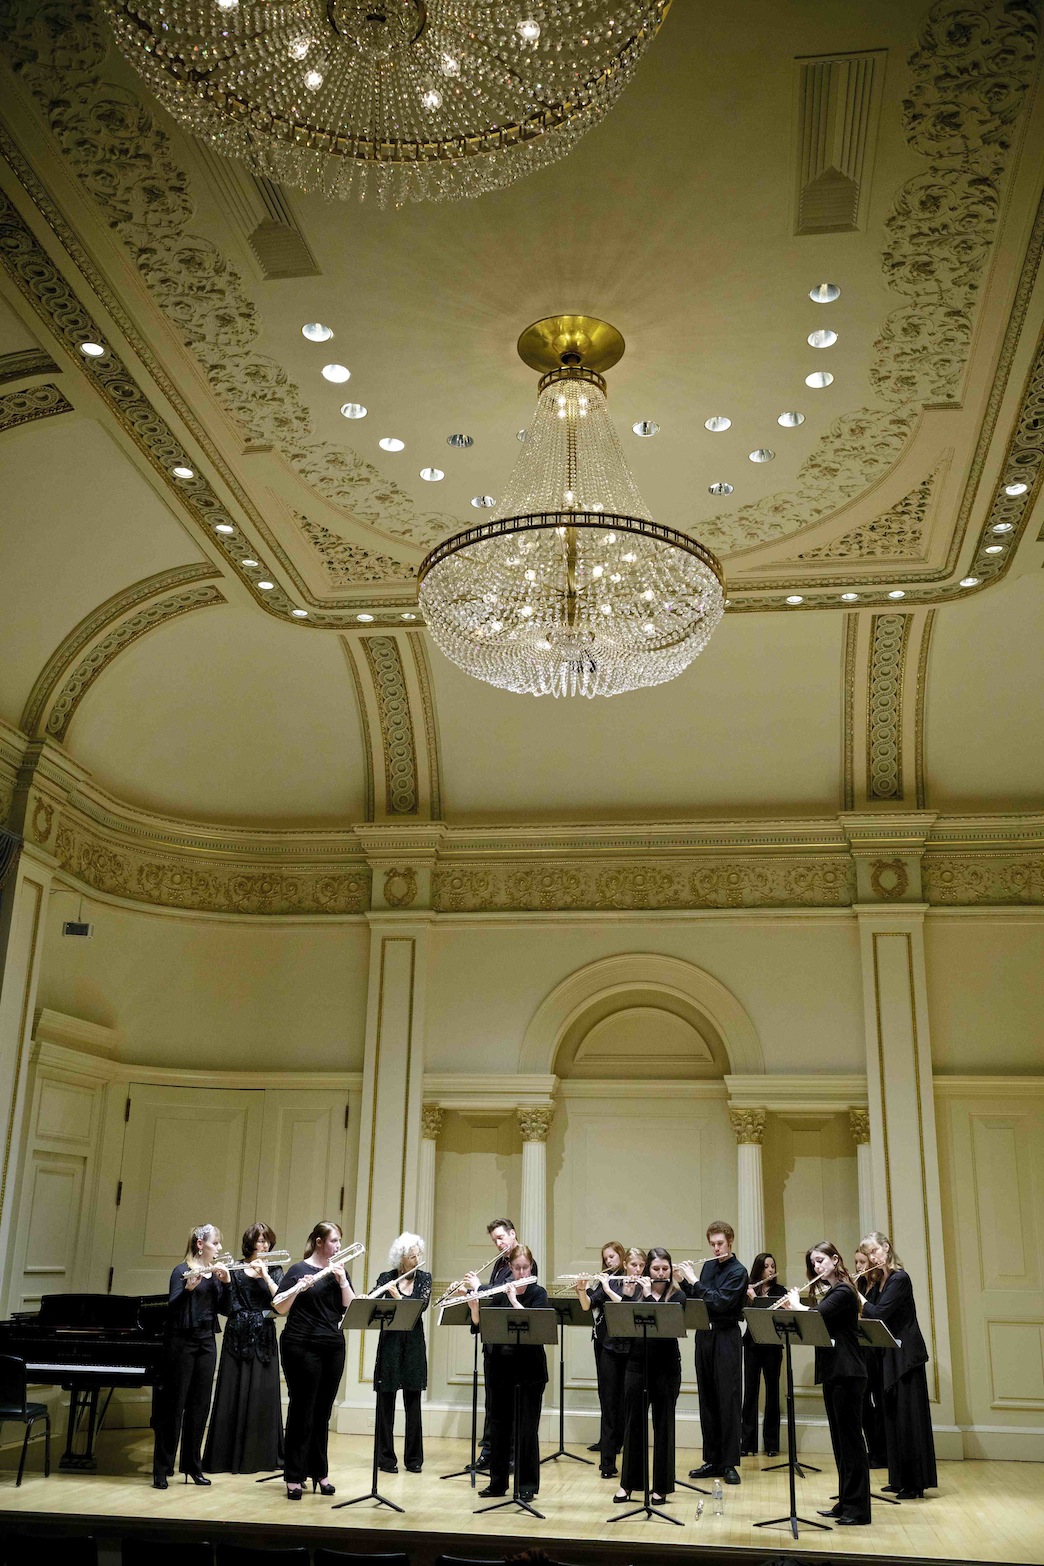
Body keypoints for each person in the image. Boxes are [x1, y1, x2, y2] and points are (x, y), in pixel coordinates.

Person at [782, 1240, 871, 1527]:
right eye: (813, 1263)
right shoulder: (833, 1291)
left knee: (851, 1443)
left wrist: (796, 1304)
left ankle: (858, 1509)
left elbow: (816, 1318)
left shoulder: (844, 1290)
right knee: (840, 1443)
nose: (817, 1266)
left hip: (848, 1372)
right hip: (836, 1372)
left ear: (835, 1259)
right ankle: (846, 1501)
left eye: (820, 1260)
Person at [272, 1221, 354, 1500]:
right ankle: (294, 1476)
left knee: (323, 1412)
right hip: (301, 1345)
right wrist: (298, 1289)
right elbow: (279, 1308)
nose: (338, 1247)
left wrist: (342, 1279)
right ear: (319, 1242)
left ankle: (320, 1472)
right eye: (333, 1241)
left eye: (340, 1242)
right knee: (302, 1409)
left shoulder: (338, 1271)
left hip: (332, 1346)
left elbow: (349, 1306)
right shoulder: (298, 1270)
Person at [859, 1231, 937, 1499]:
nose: (871, 1258)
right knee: (890, 1417)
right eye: (868, 1254)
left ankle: (915, 1482)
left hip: (906, 1358)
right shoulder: (881, 1281)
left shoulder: (900, 1279)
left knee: (908, 1419)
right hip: (888, 1356)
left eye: (874, 1252)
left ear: (886, 1248)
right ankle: (898, 1478)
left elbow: (879, 1314)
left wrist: (859, 1298)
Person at [202, 1222, 284, 1473]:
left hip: (264, 1337)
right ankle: (226, 1458)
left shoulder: (276, 1269)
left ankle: (262, 1457)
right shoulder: (235, 1269)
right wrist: (226, 1282)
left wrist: (266, 1275)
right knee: (232, 1393)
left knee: (263, 1393)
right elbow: (226, 1308)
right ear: (251, 1243)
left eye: (267, 1241)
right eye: (260, 1241)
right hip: (237, 1335)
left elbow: (281, 1303)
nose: (265, 1245)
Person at [152, 1223, 230, 1489]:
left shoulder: (215, 1274)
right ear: (200, 1245)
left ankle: (192, 1467)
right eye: (215, 1243)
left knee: (199, 1406)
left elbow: (226, 1309)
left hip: (207, 1342)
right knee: (174, 1407)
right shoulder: (181, 1271)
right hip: (181, 1342)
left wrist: (227, 1284)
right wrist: (188, 1289)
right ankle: (162, 1469)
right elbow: (170, 1307)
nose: (219, 1248)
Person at [469, 1244, 548, 1502]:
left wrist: (515, 1300)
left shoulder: (538, 1294)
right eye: (517, 1268)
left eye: (525, 1267)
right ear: (510, 1269)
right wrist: (474, 1307)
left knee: (526, 1430)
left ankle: (527, 1485)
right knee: (500, 1427)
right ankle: (498, 1482)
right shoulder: (500, 1294)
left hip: (530, 1372)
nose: (521, 1272)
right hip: (501, 1371)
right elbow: (485, 1329)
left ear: (531, 1267)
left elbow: (535, 1328)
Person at [613, 1247, 685, 1506]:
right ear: (646, 1270)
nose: (661, 1273)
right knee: (634, 1424)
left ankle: (662, 1487)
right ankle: (630, 1483)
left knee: (664, 1427)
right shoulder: (635, 1295)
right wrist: (630, 1297)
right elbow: (622, 1327)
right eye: (656, 1269)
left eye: (665, 1269)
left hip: (666, 1369)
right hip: (636, 1366)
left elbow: (666, 1330)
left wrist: (648, 1297)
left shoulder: (678, 1297)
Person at [464, 1217, 537, 1470]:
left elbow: (502, 1291)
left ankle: (509, 1455)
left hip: (511, 1346)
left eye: (501, 1237)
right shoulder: (499, 1263)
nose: (498, 1243)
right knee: (492, 1402)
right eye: (495, 1240)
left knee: (509, 1404)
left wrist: (479, 1286)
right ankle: (491, 1453)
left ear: (513, 1234)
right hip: (493, 1341)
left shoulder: (523, 1263)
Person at [680, 1221, 748, 1484]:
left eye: (720, 1243)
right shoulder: (708, 1266)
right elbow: (699, 1300)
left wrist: (694, 1281)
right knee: (707, 1398)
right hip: (705, 1336)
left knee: (728, 1399)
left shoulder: (738, 1271)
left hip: (727, 1336)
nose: (716, 1248)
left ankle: (730, 1462)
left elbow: (719, 1302)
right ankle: (713, 1459)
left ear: (730, 1241)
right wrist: (683, 1284)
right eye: (712, 1244)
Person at [373, 1231, 431, 1474]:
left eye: (418, 1255)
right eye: (411, 1256)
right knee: (385, 1402)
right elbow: (375, 1308)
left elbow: (420, 1307)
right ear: (400, 1259)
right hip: (390, 1344)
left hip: (413, 1344)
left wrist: (397, 1296)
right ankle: (385, 1458)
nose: (416, 1260)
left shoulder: (424, 1279)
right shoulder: (386, 1277)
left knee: (413, 1403)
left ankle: (414, 1458)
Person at [574, 1239, 628, 1478]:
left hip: (627, 1348)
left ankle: (620, 1447)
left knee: (624, 1403)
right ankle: (607, 1461)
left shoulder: (627, 1280)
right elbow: (588, 1305)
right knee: (608, 1401)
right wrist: (580, 1289)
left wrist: (606, 1288)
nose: (608, 1261)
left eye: (612, 1257)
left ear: (622, 1258)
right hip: (606, 1345)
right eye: (606, 1258)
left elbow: (624, 1305)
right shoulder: (605, 1279)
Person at [740, 1251, 785, 1456]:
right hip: (751, 1344)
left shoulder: (780, 1291)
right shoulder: (748, 1289)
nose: (771, 1270)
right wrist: (749, 1296)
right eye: (766, 1266)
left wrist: (757, 1298)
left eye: (773, 1266)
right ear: (759, 1269)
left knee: (773, 1393)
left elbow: (774, 1318)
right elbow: (744, 1316)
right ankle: (747, 1443)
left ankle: (772, 1443)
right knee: (750, 1393)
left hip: (772, 1346)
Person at [854, 1244, 887, 1469]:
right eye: (856, 1262)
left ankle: (881, 1452)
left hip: (878, 1353)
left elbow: (876, 1313)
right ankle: (872, 1450)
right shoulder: (862, 1284)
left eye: (862, 1262)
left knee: (879, 1404)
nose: (858, 1266)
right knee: (864, 1404)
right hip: (863, 1350)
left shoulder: (879, 1287)